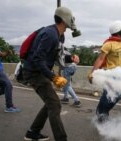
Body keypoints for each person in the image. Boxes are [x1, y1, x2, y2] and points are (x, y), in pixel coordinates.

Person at [23, 6, 80, 141]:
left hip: (41, 71)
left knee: (51, 102)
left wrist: (70, 58)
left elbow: (57, 56)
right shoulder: (50, 34)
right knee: (55, 104)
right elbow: (38, 59)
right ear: (64, 19)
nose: (72, 21)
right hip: (34, 72)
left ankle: (32, 132)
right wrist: (53, 76)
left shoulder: (59, 36)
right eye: (70, 18)